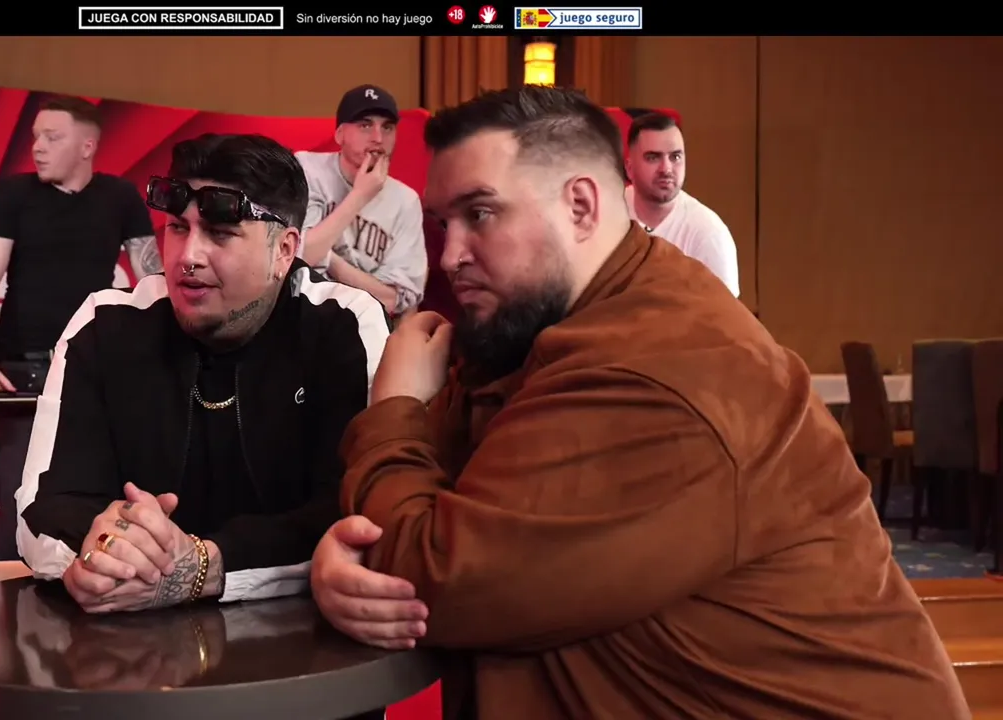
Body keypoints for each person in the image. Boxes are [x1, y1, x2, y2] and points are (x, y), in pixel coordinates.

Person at [310, 87, 969, 719]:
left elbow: (433, 576)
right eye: (442, 223)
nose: (451, 255)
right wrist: (352, 552)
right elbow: (426, 514)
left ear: (581, 206)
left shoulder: (657, 367)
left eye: (479, 214)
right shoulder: (553, 321)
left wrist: (393, 408)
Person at [16, 134, 389, 615]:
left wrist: (206, 566)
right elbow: (43, 511)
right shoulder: (105, 324)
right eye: (177, 227)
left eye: (220, 233)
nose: (187, 256)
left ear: (284, 250)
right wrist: (100, 557)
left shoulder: (343, 324)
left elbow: (356, 514)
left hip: (300, 637)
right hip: (127, 643)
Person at [0, 96, 156, 559]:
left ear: (87, 146)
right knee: (20, 498)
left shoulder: (119, 197)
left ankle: (93, 576)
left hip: (96, 368)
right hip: (25, 369)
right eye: (36, 137)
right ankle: (10, 587)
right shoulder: (13, 194)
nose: (38, 147)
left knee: (99, 493)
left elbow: (152, 280)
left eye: (52, 137)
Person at [296, 85, 428, 319]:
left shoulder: (406, 202)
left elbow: (393, 300)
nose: (378, 138)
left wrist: (330, 260)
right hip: (304, 314)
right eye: (365, 126)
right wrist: (359, 196)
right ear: (339, 134)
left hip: (365, 323)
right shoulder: (307, 169)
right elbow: (297, 259)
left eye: (387, 127)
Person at [625, 112, 740, 297]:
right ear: (629, 169)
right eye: (653, 157)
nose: (666, 169)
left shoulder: (709, 233)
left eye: (675, 157)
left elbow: (723, 312)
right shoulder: (607, 212)